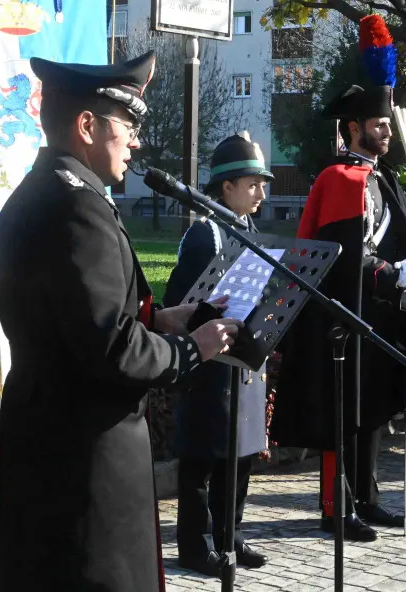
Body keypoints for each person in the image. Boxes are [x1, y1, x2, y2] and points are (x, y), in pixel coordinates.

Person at [0, 51, 240, 592]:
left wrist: (160, 318)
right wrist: (192, 349)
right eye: (127, 127)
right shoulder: (78, 207)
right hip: (87, 451)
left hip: (47, 433)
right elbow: (111, 347)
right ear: (87, 126)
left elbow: (73, 315)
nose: (135, 143)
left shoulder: (43, 192)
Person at [270, 14, 406, 542]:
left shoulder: (378, 177)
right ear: (354, 128)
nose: (387, 131)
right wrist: (391, 274)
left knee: (371, 408)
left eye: (388, 123)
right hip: (339, 316)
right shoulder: (339, 179)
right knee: (342, 412)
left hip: (375, 314)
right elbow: (345, 257)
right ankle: (336, 505)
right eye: (379, 124)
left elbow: (388, 243)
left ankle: (367, 497)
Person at [163, 133, 272, 577]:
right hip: (209, 364)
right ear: (226, 187)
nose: (261, 193)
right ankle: (196, 544)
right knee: (203, 458)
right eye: (253, 184)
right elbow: (181, 302)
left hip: (242, 360)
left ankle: (231, 533)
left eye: (263, 185)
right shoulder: (204, 234)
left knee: (240, 453)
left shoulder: (249, 229)